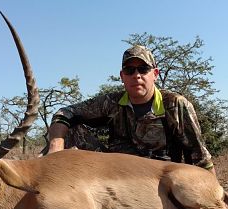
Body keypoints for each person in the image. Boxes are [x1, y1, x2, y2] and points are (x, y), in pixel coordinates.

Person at [46, 45, 215, 174]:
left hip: (160, 178)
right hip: (115, 173)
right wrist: (55, 147)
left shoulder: (176, 104)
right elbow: (65, 113)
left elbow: (201, 159)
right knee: (67, 131)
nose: (136, 75)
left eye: (143, 69)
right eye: (129, 70)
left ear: (155, 74)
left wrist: (212, 193)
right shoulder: (110, 102)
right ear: (122, 76)